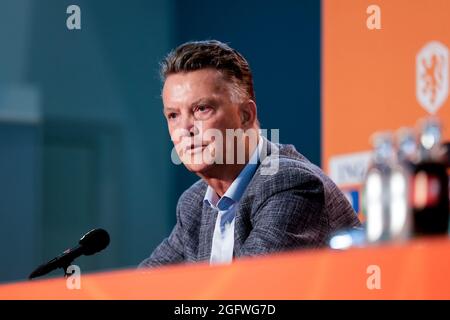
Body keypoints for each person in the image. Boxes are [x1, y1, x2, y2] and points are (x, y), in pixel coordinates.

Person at [139, 40, 360, 268]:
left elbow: (246, 295)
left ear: (245, 115)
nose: (185, 129)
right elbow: (142, 287)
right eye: (173, 115)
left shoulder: (289, 184)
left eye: (201, 109)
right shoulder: (194, 204)